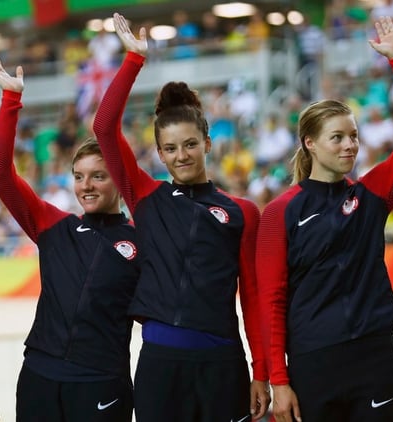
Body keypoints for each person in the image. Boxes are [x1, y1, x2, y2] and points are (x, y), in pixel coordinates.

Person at [257, 17, 393, 422]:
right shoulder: (280, 212)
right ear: (310, 143)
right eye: (337, 137)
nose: (349, 145)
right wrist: (278, 380)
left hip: (374, 356)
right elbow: (271, 301)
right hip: (312, 362)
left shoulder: (371, 194)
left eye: (353, 136)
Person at [93, 13, 269, 422]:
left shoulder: (241, 211)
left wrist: (262, 371)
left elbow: (254, 298)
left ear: (208, 143)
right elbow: (104, 128)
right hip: (160, 363)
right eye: (170, 149)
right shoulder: (145, 196)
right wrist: (134, 59)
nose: (181, 155)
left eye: (190, 144)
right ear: (159, 153)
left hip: (222, 362)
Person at [0, 50, 139, 422]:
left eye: (98, 175)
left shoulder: (143, 240)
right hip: (40, 375)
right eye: (79, 176)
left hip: (101, 382)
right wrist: (10, 101)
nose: (86, 186)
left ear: (119, 179)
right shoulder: (55, 225)